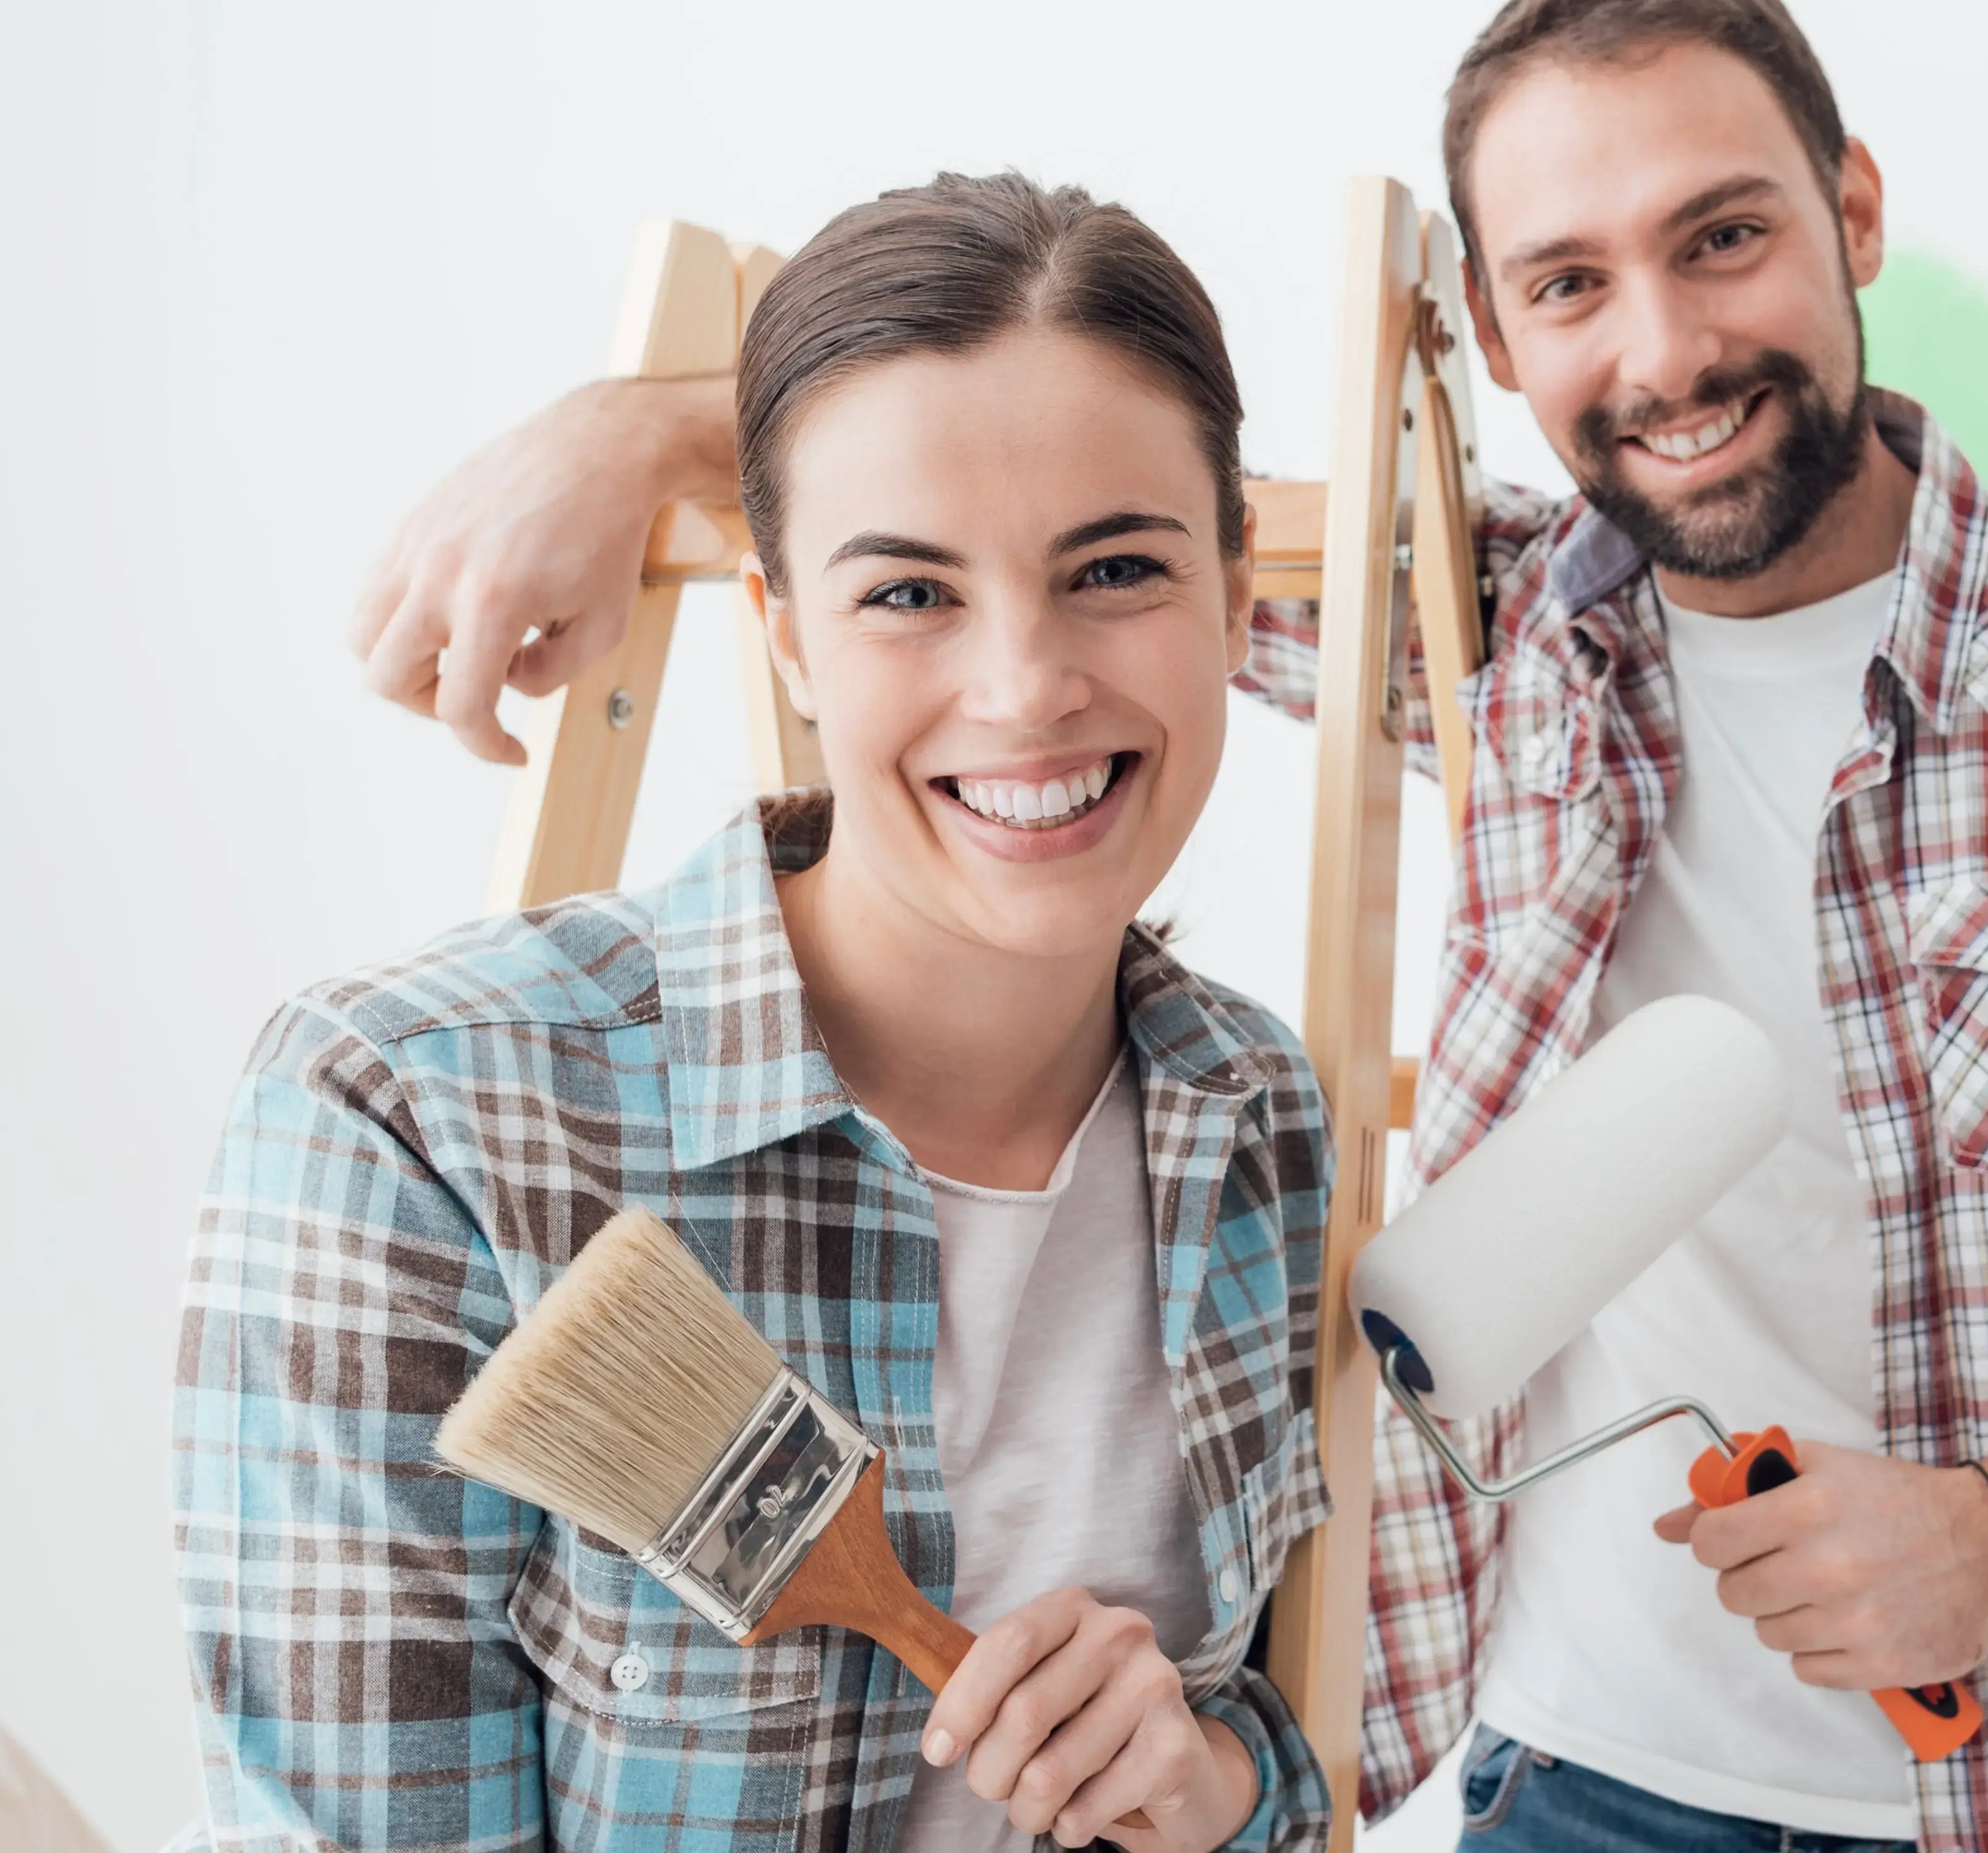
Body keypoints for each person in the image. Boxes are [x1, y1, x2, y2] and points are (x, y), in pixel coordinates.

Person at [344, 4, 1988, 1847]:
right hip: (1572, 1777)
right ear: (1493, 332)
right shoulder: (1495, 630)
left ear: (1853, 214)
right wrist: (648, 435)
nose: (1672, 348)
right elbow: (1070, 546)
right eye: (1574, 283)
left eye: (1726, 239)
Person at [182, 173, 1338, 1853]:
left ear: (1241, 603)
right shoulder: (412, 1120)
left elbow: (1281, 1762)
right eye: (907, 594)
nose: (1025, 686)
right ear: (786, 634)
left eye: (1112, 569)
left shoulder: (1255, 1118)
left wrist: (1217, 1787)